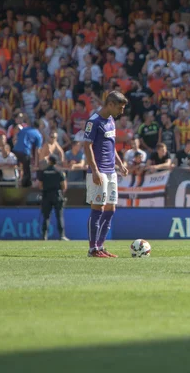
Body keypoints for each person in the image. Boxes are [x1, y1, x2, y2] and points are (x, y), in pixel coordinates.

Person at [83, 91, 129, 258]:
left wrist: (120, 164)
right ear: (110, 104)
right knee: (98, 208)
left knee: (110, 209)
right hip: (99, 171)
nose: (121, 111)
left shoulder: (111, 121)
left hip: (111, 171)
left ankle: (100, 246)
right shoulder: (94, 121)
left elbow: (111, 146)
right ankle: (92, 249)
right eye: (120, 107)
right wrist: (94, 170)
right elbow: (87, 146)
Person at [38, 155, 69, 241]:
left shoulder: (43, 172)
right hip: (57, 195)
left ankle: (44, 236)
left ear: (50, 161)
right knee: (59, 216)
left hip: (46, 195)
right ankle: (62, 235)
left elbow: (40, 185)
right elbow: (64, 186)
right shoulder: (59, 171)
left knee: (46, 216)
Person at [12, 120, 43, 188]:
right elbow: (37, 151)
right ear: (40, 126)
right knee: (27, 172)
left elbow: (15, 138)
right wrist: (36, 164)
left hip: (15, 151)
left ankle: (19, 182)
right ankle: (26, 187)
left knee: (19, 169)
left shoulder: (24, 129)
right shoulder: (38, 135)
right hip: (25, 152)